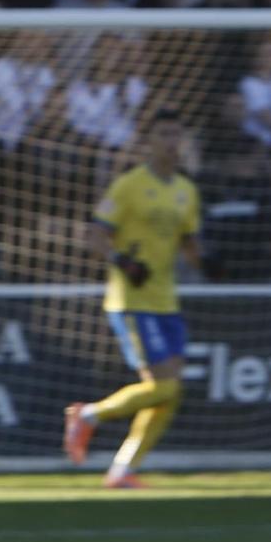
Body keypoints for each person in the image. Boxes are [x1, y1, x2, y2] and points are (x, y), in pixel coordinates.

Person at [62, 111, 203, 489]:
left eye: (177, 134)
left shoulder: (187, 191)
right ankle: (88, 416)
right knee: (164, 387)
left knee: (169, 394)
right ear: (149, 142)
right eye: (164, 134)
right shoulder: (129, 186)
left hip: (166, 301)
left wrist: (210, 261)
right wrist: (121, 260)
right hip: (131, 300)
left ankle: (123, 470)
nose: (171, 142)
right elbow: (95, 235)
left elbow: (189, 244)